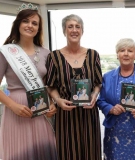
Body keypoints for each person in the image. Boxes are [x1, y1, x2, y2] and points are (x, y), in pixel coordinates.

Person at [0, 3, 57, 159]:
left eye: (34, 23)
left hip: (40, 109)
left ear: (38, 28)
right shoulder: (6, 52)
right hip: (16, 111)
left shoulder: (46, 53)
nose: (30, 26)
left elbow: (48, 85)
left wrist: (51, 103)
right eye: (26, 21)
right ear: (18, 23)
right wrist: (12, 105)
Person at [46, 14, 102, 160]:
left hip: (89, 114)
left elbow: (98, 83)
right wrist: (58, 100)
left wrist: (94, 97)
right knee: (67, 153)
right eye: (70, 26)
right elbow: (50, 86)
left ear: (82, 31)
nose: (74, 30)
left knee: (91, 153)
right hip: (65, 115)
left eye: (78, 27)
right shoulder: (54, 57)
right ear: (64, 31)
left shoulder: (93, 55)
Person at [97, 38, 135, 159]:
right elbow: (101, 101)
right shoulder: (107, 77)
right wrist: (110, 109)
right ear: (117, 55)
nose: (126, 53)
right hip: (115, 134)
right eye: (122, 50)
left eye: (130, 51)